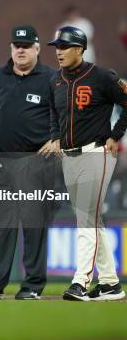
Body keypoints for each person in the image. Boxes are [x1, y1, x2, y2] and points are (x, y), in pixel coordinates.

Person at [0, 25, 56, 300]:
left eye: (26, 45)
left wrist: (57, 140)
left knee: (34, 227)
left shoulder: (51, 79)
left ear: (37, 48)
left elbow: (66, 117)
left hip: (36, 160)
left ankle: (32, 286)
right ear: (11, 48)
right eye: (16, 45)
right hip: (1, 161)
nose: (20, 50)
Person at [48, 25, 127, 301]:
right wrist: (56, 136)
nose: (59, 51)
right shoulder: (56, 80)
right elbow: (53, 112)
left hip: (96, 153)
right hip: (69, 156)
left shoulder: (102, 76)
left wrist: (115, 135)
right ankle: (110, 284)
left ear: (80, 49)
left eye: (65, 46)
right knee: (92, 219)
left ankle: (80, 282)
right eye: (57, 46)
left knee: (85, 220)